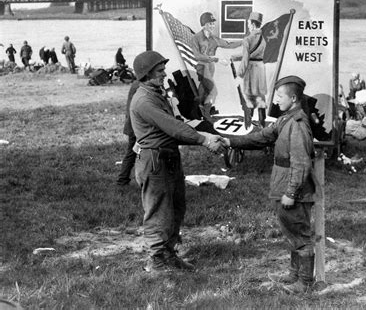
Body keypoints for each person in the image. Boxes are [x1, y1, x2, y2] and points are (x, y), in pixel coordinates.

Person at [129, 50, 226, 273]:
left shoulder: (157, 94)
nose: (164, 74)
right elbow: (173, 128)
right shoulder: (144, 100)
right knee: (159, 211)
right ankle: (156, 260)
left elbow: (178, 123)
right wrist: (205, 140)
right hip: (155, 161)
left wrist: (207, 134)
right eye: (160, 71)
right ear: (146, 74)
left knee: (175, 208)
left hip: (168, 157)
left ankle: (168, 254)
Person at [221, 76, 316, 294]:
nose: (277, 100)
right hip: (282, 182)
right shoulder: (285, 120)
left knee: (301, 236)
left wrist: (291, 192)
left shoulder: (298, 124)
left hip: (294, 189)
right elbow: (262, 137)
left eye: (280, 96)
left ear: (293, 98)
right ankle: (294, 275)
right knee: (291, 232)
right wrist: (230, 141)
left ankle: (305, 283)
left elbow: (301, 162)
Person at [191, 11, 242, 119]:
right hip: (202, 67)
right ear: (204, 24)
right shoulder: (196, 38)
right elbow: (198, 56)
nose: (212, 25)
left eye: (213, 23)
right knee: (213, 91)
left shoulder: (214, 39)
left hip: (210, 67)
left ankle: (198, 113)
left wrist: (244, 41)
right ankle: (206, 115)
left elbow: (229, 44)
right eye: (210, 23)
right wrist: (217, 59)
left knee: (203, 91)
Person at [231, 11, 267, 127]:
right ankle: (262, 124)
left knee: (249, 97)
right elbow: (252, 54)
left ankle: (248, 124)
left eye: (248, 23)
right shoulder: (263, 38)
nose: (247, 25)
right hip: (260, 68)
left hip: (250, 69)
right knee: (260, 96)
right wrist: (235, 57)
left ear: (252, 24)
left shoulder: (247, 39)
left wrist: (239, 75)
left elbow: (246, 59)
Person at [116, 79, 140, 186]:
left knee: (131, 153)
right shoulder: (140, 85)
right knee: (131, 153)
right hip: (136, 124)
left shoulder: (137, 83)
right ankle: (122, 179)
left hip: (134, 123)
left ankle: (123, 179)